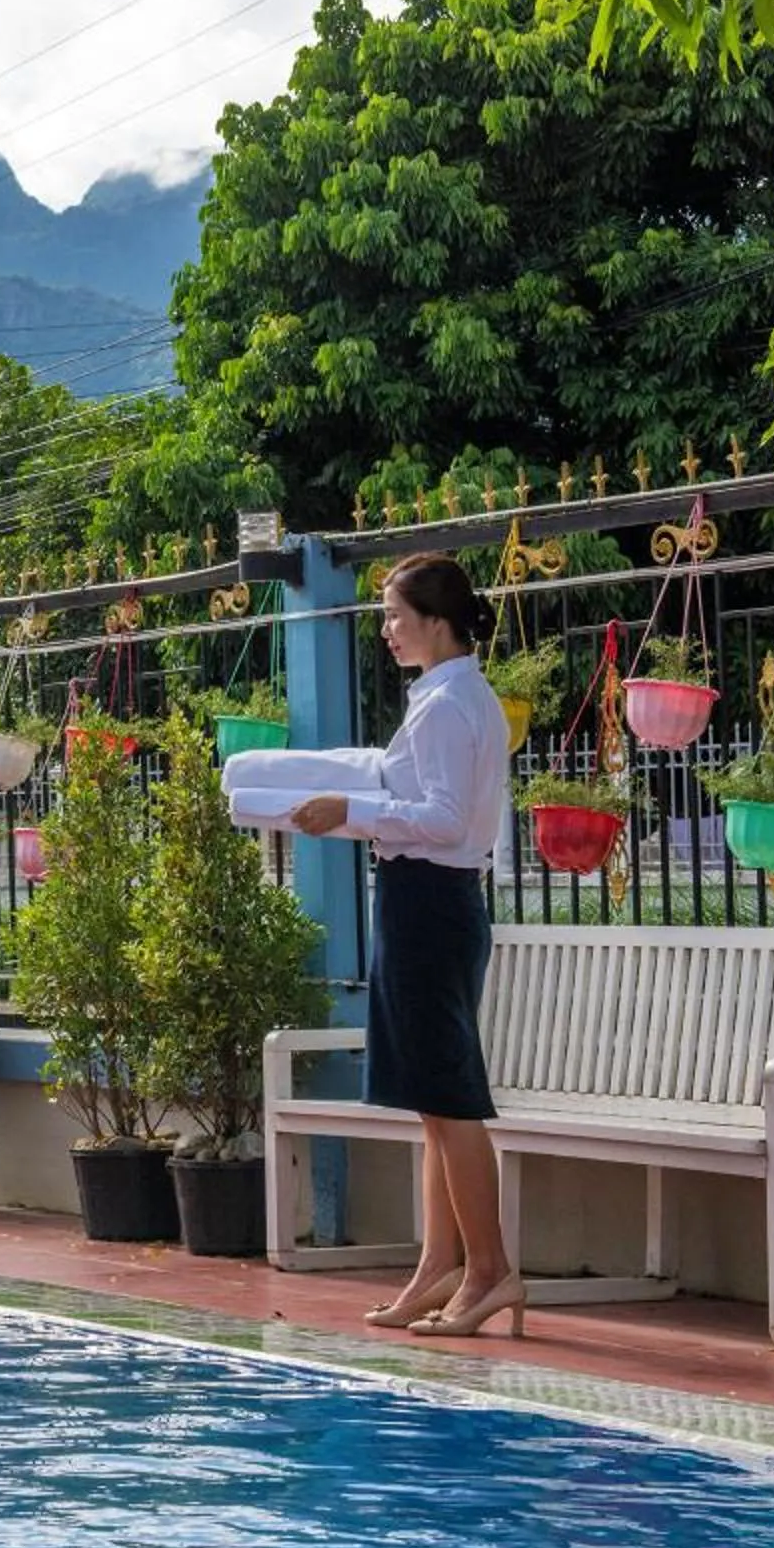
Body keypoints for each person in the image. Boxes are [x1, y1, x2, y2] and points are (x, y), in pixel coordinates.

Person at [284, 551, 521, 1338]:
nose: (385, 630)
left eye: (395, 615)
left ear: (437, 621)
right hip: (425, 903)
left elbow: (445, 817)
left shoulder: (451, 705)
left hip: (431, 906)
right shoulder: (446, 698)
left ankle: (489, 1272)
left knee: (451, 1101)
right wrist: (351, 806)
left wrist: (350, 810)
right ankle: (438, 1269)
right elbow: (417, 797)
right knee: (433, 1103)